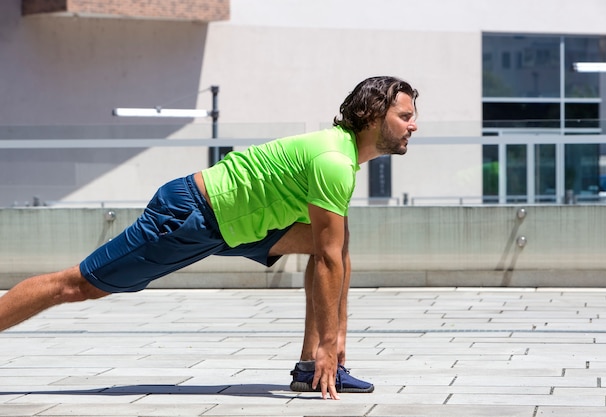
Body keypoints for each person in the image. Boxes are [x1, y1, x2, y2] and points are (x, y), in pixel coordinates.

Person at [0, 76, 418, 400]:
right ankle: (320, 356)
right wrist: (332, 340)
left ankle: (313, 368)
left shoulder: (341, 154)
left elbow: (330, 251)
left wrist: (336, 340)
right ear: (372, 116)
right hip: (192, 214)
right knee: (76, 286)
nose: (413, 125)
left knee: (333, 241)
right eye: (405, 116)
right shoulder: (334, 161)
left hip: (240, 224)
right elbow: (327, 261)